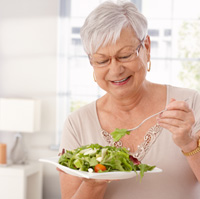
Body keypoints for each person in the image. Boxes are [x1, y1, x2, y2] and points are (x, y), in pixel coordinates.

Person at [58, 1, 200, 199]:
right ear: (91, 62)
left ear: (147, 47)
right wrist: (95, 184)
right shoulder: (77, 123)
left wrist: (189, 145)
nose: (115, 70)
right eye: (102, 60)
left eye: (125, 55)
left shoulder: (191, 104)